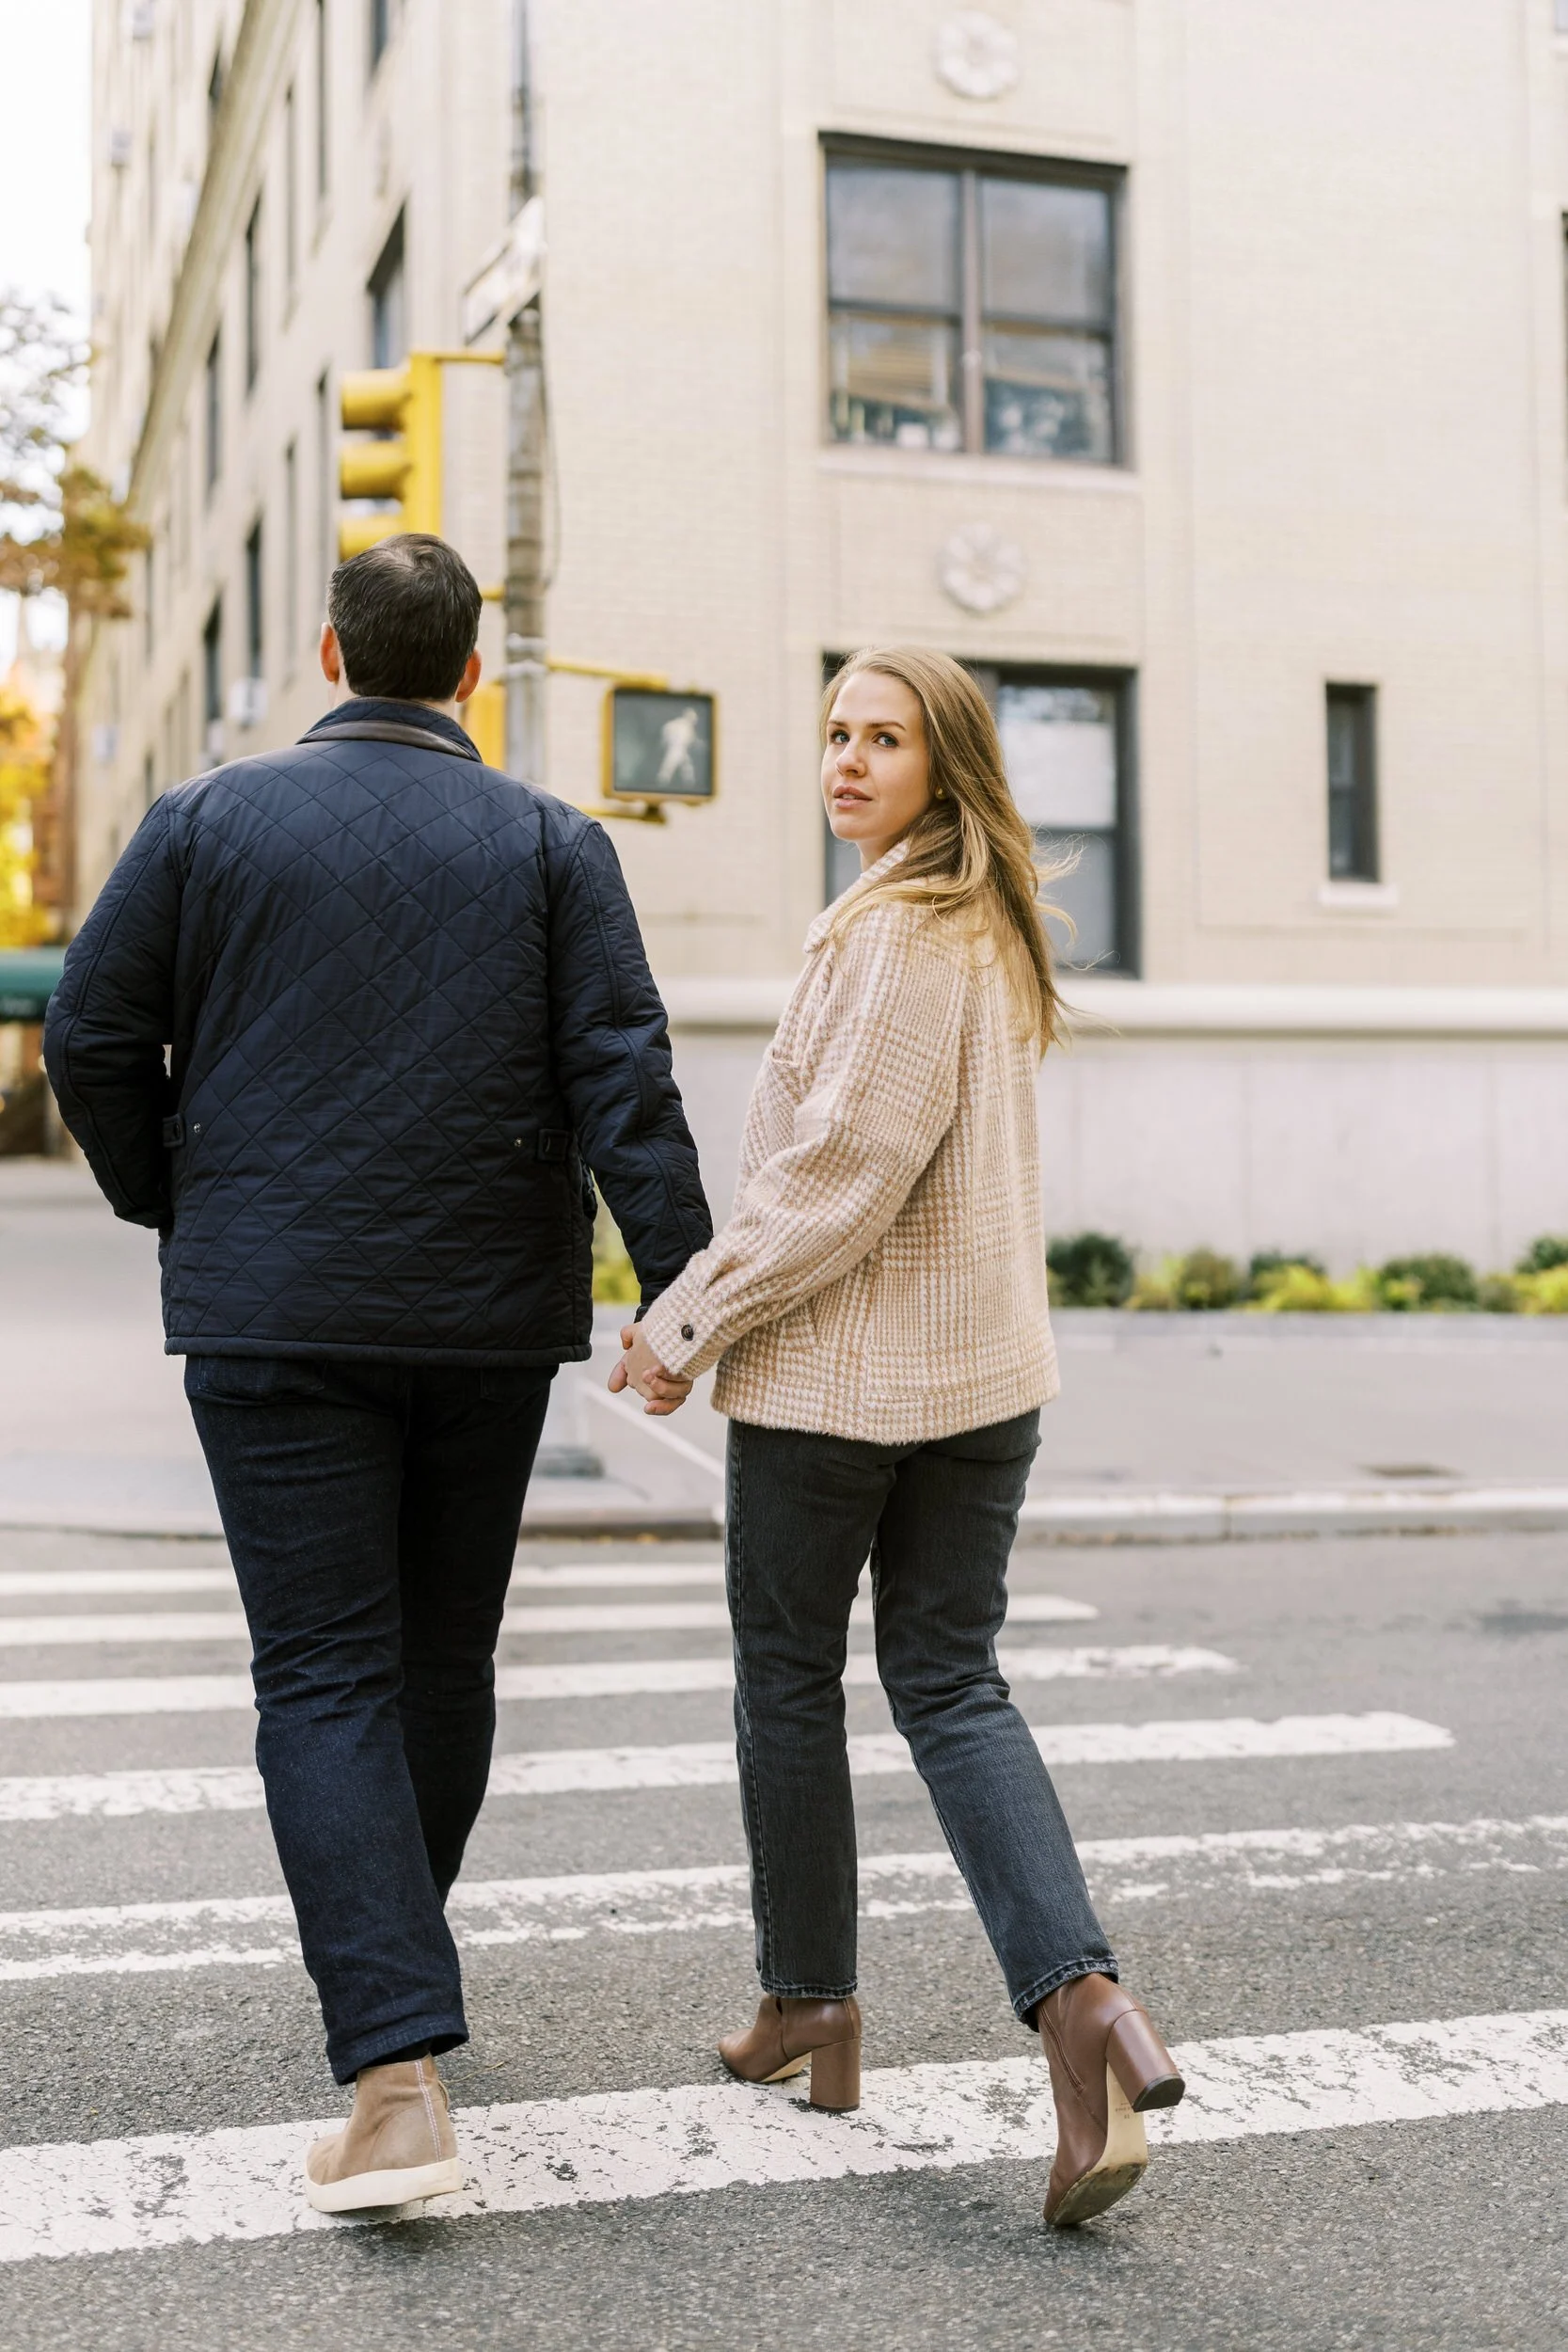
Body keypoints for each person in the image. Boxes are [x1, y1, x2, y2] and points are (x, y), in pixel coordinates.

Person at [45, 533, 711, 2214]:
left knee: (326, 1675)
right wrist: (683, 1303)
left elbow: (89, 1041)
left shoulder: (204, 821)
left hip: (273, 1317)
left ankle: (393, 2052)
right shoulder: (555, 841)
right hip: (485, 1316)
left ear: (331, 658)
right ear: (470, 676)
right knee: (441, 1659)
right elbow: (624, 1077)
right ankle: (393, 1981)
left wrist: (181, 1203)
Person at [614, 646, 1183, 2229]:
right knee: (949, 1679)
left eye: (885, 740)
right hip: (985, 1383)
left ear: (950, 767)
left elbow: (836, 1181)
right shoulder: (987, 926)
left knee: (786, 1675)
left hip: (838, 1393)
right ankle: (1068, 2008)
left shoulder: (902, 937)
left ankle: (827, 1997)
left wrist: (680, 1326)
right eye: (834, 735)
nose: (848, 762)